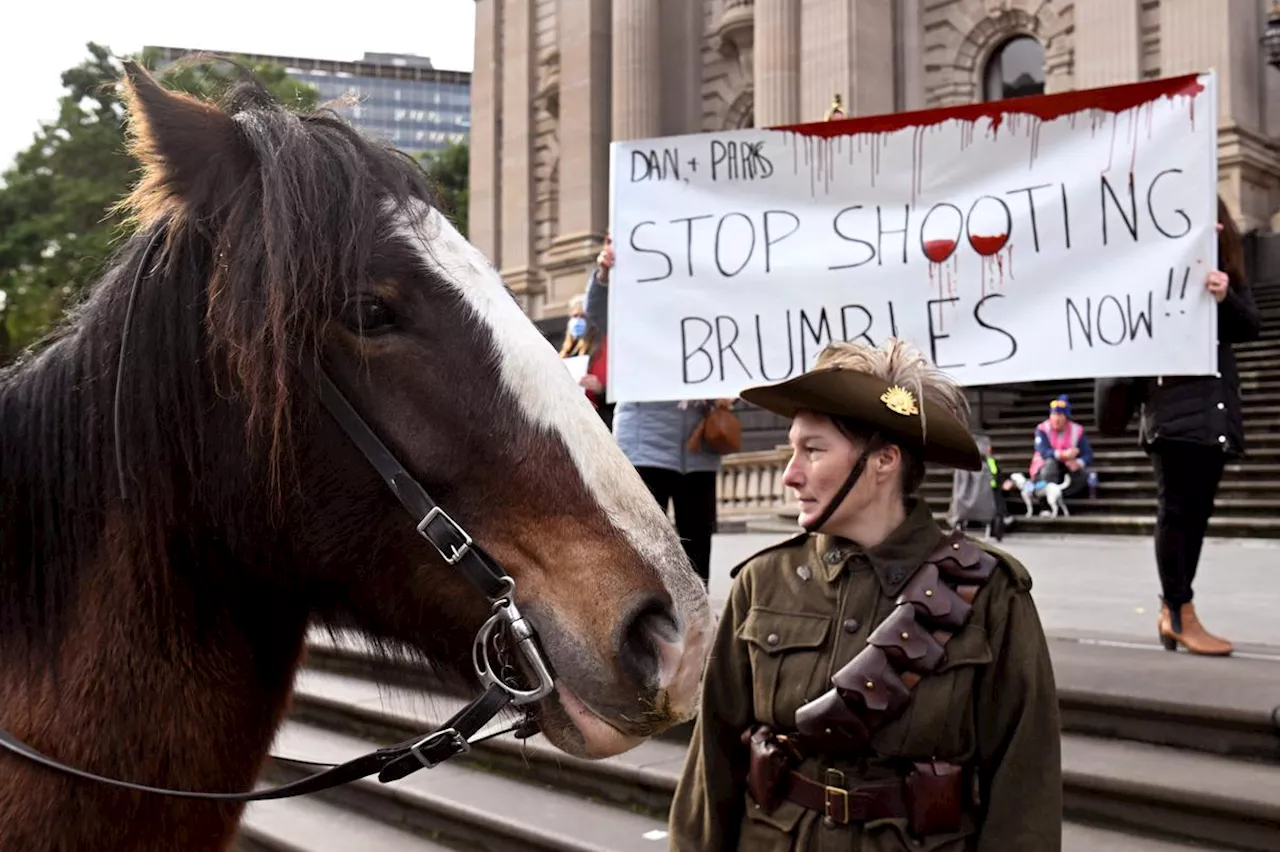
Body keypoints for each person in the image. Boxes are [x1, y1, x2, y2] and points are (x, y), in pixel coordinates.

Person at [668, 337, 1062, 851]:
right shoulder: (762, 583)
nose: (790, 473)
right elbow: (712, 766)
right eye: (793, 449)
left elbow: (1024, 790)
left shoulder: (990, 594)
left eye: (812, 450)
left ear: (884, 461)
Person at [1095, 196, 1261, 657]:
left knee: (1197, 515)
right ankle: (1176, 609)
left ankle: (1177, 611)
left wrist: (1224, 295)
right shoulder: (1154, 271)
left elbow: (1251, 326)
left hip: (1214, 412)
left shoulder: (1225, 278)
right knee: (1178, 511)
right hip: (1172, 410)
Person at [584, 230, 725, 584]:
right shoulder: (634, 297)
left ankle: (697, 624)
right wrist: (604, 275)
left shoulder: (703, 301)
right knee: (645, 544)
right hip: (645, 440)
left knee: (698, 543)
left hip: (699, 441)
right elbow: (597, 313)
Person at [1029, 395, 1096, 499]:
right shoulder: (1042, 429)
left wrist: (1079, 463)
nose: (1056, 418)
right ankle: (1046, 502)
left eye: (1059, 414)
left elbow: (1088, 454)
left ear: (1066, 417)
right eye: (1054, 414)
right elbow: (1043, 451)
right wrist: (1062, 454)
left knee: (1083, 474)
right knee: (1050, 465)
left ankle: (1064, 497)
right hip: (1045, 468)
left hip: (1067, 468)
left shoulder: (1077, 430)